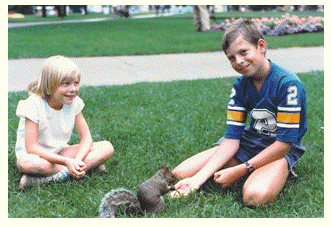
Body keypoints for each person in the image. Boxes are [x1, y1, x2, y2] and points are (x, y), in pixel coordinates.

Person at [171, 18, 307, 206]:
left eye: (243, 52)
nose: (239, 62)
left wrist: (241, 169)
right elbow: (231, 139)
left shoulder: (288, 84)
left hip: (279, 150)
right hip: (249, 144)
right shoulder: (240, 85)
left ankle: (269, 171)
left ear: (261, 45)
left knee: (254, 197)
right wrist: (196, 180)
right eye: (231, 58)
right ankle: (244, 170)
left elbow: (284, 144)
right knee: (178, 174)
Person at [15, 55, 114, 189]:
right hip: (36, 156)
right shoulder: (33, 105)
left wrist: (77, 160)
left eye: (76, 83)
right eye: (66, 84)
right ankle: (89, 167)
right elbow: (32, 147)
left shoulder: (74, 103)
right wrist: (67, 162)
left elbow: (86, 138)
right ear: (49, 86)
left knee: (107, 147)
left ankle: (47, 178)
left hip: (60, 152)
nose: (73, 89)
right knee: (26, 163)